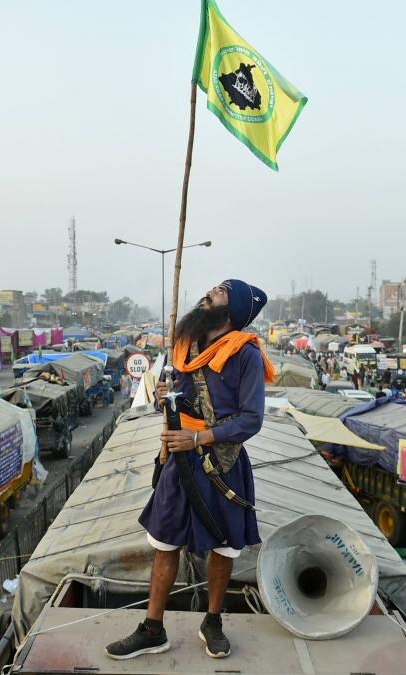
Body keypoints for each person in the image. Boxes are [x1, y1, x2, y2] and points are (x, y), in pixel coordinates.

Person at [107, 279, 271, 661]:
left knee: (224, 547)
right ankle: (152, 628)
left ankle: (212, 622)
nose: (210, 291)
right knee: (164, 544)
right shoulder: (186, 348)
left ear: (232, 312)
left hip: (221, 464)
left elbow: (251, 420)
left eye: (221, 291)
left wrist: (199, 440)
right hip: (178, 462)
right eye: (214, 287)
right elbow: (178, 402)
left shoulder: (245, 355)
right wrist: (165, 400)